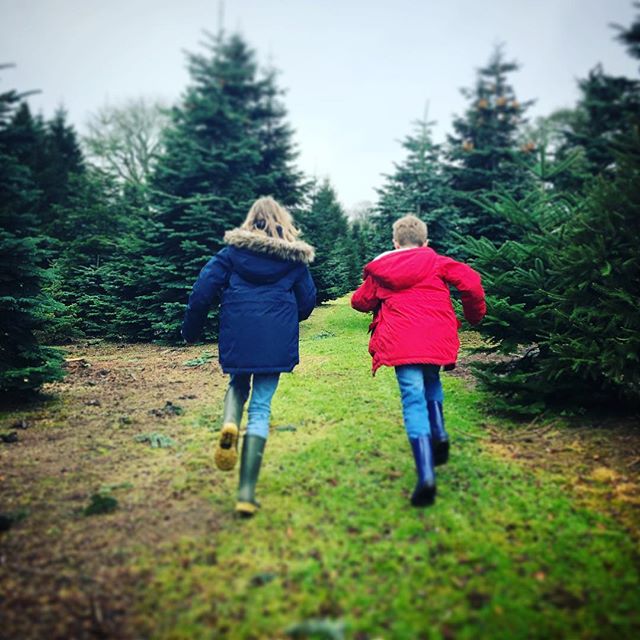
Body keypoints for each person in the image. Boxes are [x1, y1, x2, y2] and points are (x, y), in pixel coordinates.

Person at [182, 196, 316, 517]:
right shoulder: (294, 260)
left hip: (239, 331)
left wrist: (191, 329)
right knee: (261, 408)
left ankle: (229, 423)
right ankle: (245, 494)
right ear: (282, 222)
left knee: (238, 384)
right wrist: (284, 318)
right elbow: (308, 301)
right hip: (275, 340)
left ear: (250, 220)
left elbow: (202, 291)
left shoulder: (231, 254)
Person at [351, 215, 485, 508]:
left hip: (401, 341)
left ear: (395, 243)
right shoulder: (437, 262)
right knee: (432, 380)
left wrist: (372, 288)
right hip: (436, 337)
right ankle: (439, 433)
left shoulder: (384, 268)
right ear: (425, 243)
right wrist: (474, 316)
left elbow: (360, 302)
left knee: (413, 399)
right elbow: (472, 282)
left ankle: (426, 476)